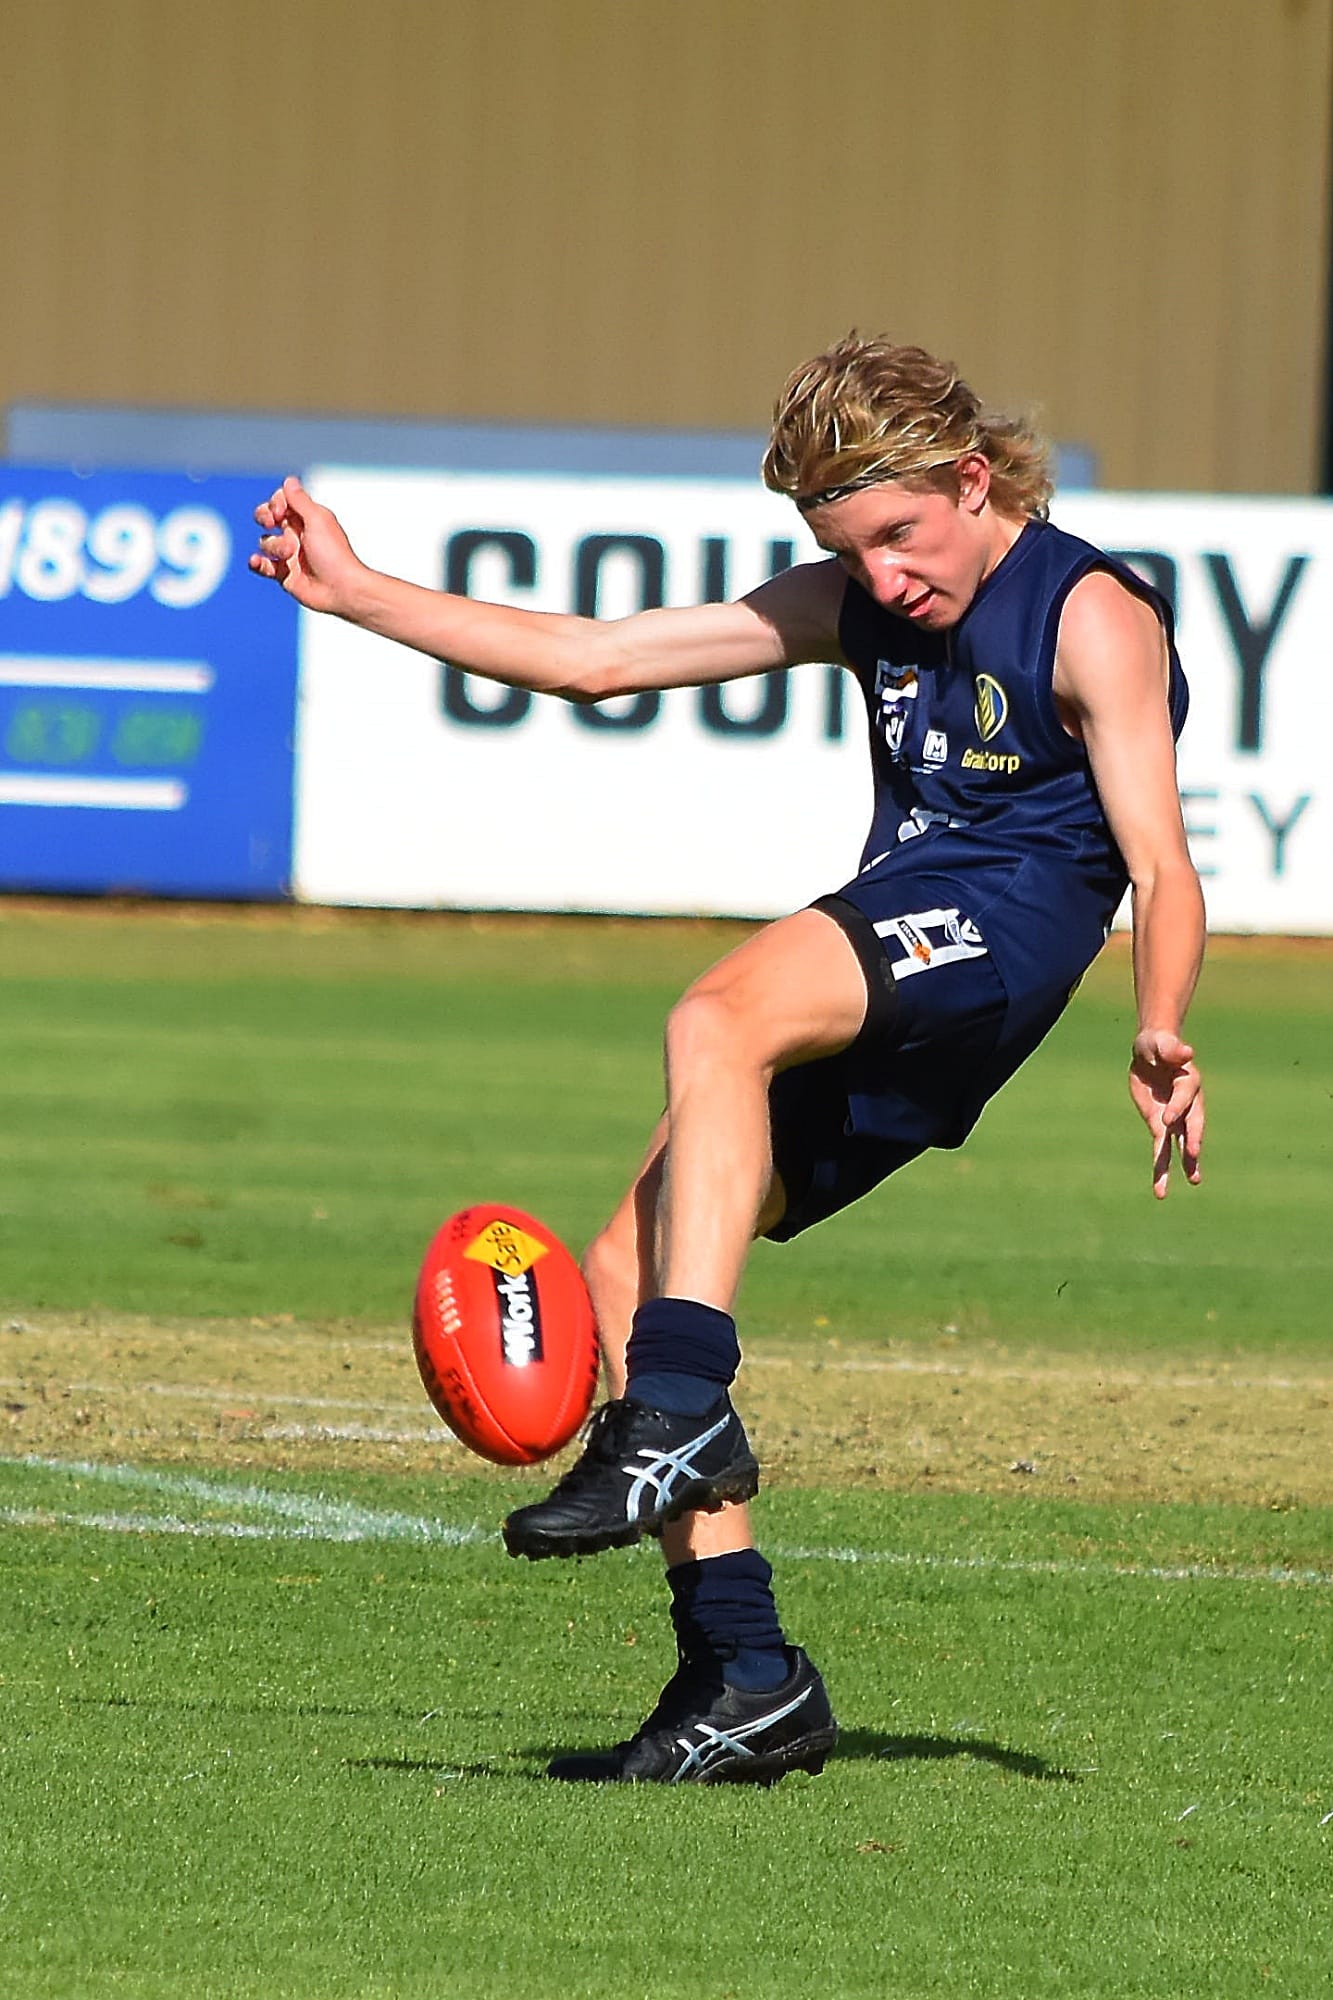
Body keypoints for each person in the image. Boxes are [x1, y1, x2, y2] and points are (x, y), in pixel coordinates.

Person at [251, 335, 1206, 1786]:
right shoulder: (860, 601)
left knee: (716, 1018)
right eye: (848, 550)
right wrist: (357, 589)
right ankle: (744, 1673)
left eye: (899, 535)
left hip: (997, 937)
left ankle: (678, 1406)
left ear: (970, 476)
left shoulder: (1087, 613)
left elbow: (1160, 858)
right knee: (623, 1277)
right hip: (911, 957)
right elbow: (598, 662)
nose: (884, 577)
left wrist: (1160, 1020)